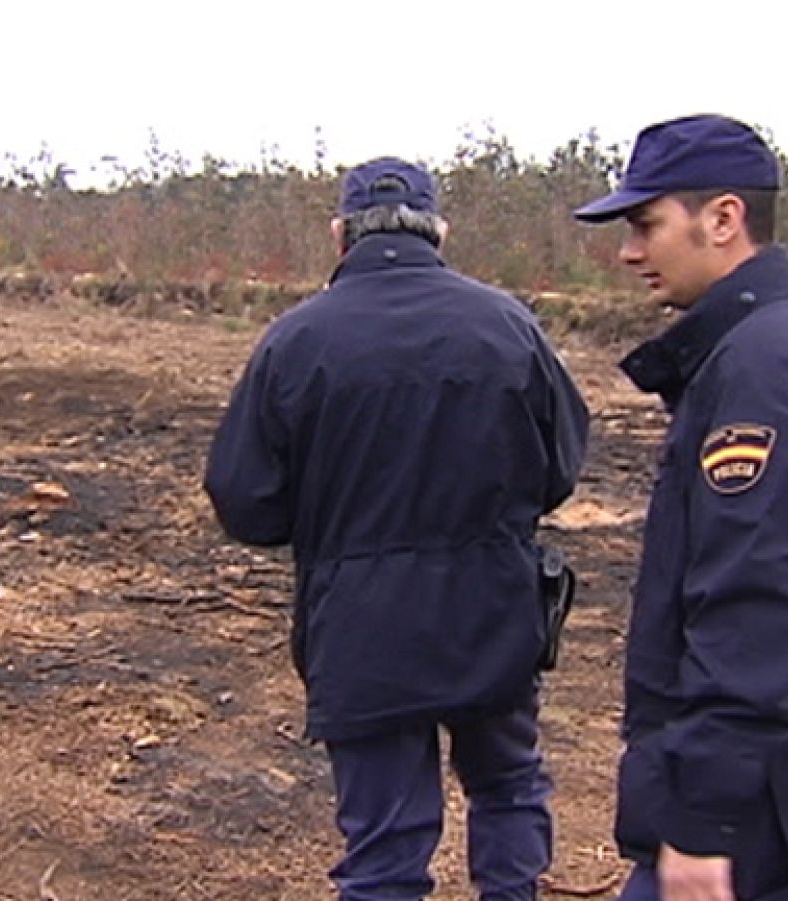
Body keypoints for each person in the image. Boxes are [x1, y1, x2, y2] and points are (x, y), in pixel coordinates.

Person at [205, 157, 590, 901]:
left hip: (360, 625)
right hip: (492, 613)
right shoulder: (508, 325)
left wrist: (329, 526)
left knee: (385, 845)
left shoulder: (297, 339)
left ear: (339, 234)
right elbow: (560, 466)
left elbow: (243, 497)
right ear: (438, 231)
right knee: (508, 786)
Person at [573, 115, 788, 901]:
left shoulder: (764, 370)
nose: (629, 252)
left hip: (769, 808)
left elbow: (758, 605)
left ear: (723, 218)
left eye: (647, 224)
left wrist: (702, 819)